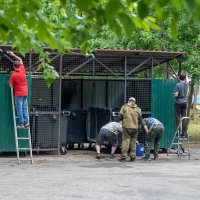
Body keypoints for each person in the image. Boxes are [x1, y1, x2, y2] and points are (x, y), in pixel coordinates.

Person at [8, 51, 29, 128]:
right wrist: (13, 54)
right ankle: (26, 123)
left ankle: (21, 123)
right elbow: (20, 59)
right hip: (25, 92)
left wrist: (12, 84)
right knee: (24, 107)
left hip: (19, 94)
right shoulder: (23, 69)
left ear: (14, 67)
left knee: (19, 108)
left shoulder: (13, 75)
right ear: (19, 65)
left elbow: (10, 85)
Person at [118, 97, 142, 162]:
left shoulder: (124, 107)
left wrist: (122, 120)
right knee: (133, 142)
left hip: (126, 127)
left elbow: (120, 116)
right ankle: (133, 157)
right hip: (135, 128)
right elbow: (140, 119)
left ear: (128, 101)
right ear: (135, 102)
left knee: (126, 141)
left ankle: (124, 157)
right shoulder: (138, 109)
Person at [173, 71, 189, 138]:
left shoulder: (178, 85)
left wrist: (173, 95)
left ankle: (178, 133)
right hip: (185, 102)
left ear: (179, 77)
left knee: (177, 118)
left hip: (178, 103)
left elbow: (176, 94)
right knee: (184, 117)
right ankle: (183, 133)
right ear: (185, 78)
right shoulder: (187, 84)